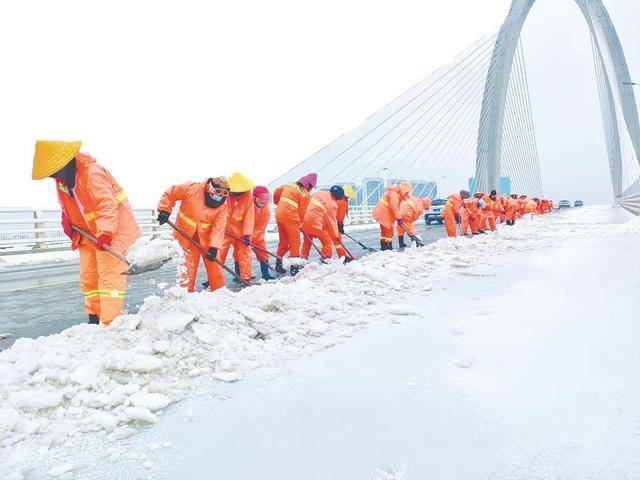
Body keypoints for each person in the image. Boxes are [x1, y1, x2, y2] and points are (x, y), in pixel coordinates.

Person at [32, 141, 141, 326]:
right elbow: (72, 204)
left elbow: (107, 205)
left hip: (112, 230)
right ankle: (94, 317)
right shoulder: (63, 180)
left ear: (64, 163)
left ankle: (111, 324)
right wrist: (67, 219)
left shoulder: (93, 173)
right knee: (88, 277)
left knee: (109, 276)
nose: (54, 177)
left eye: (55, 172)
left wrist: (105, 232)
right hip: (88, 233)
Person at [157, 177, 229, 292]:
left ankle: (219, 292)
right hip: (186, 235)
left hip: (207, 237)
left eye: (222, 195)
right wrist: (165, 210)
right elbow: (171, 193)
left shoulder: (223, 204)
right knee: (188, 267)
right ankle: (186, 293)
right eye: (217, 193)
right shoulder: (191, 188)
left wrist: (214, 247)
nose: (218, 197)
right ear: (210, 188)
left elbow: (219, 225)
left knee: (215, 266)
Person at [273, 173, 317, 273]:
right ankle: (294, 267)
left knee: (283, 242)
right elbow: (302, 211)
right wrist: (300, 223)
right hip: (291, 218)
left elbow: (276, 192)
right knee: (294, 242)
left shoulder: (289, 185)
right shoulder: (305, 194)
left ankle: (278, 265)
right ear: (308, 185)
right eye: (311, 186)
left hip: (279, 215)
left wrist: (277, 202)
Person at [219, 173, 255, 284]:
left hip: (241, 232)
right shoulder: (224, 195)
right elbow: (218, 213)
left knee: (244, 254)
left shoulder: (248, 197)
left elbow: (249, 216)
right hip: (224, 231)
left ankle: (245, 279)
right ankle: (214, 278)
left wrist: (247, 234)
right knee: (218, 254)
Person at [301, 186, 347, 264]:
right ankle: (326, 257)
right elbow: (331, 223)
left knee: (307, 242)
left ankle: (303, 259)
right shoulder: (332, 204)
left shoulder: (318, 193)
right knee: (327, 241)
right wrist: (336, 236)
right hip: (316, 224)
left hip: (304, 222)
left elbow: (305, 204)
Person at [372, 181, 412, 250]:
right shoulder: (394, 194)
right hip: (384, 214)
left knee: (384, 231)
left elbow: (404, 199)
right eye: (406, 192)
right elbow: (394, 207)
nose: (406, 194)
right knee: (389, 231)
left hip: (381, 212)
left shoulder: (395, 192)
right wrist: (399, 218)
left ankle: (383, 247)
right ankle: (388, 248)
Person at [251, 185, 275, 281]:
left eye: (265, 201)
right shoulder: (248, 206)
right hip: (244, 234)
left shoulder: (266, 209)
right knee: (242, 255)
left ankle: (266, 275)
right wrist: (247, 236)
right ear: (254, 197)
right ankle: (241, 276)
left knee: (263, 253)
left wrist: (254, 238)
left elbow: (261, 226)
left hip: (258, 235)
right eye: (261, 200)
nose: (263, 203)